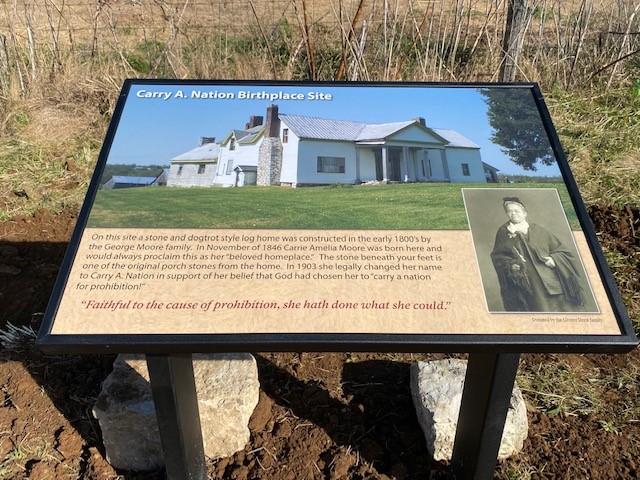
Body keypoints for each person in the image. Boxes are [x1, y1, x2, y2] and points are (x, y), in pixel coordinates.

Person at [490, 197, 586, 312]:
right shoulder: (504, 232)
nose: (513, 214)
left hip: (551, 279)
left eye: (516, 211)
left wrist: (553, 260)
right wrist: (514, 264)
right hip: (529, 283)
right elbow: (498, 256)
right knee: (539, 309)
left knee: (563, 309)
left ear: (525, 213)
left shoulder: (539, 231)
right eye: (509, 211)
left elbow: (563, 251)